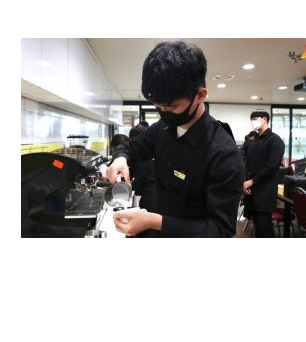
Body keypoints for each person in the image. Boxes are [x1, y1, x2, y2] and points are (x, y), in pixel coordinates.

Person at [106, 40, 244, 238]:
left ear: (200, 95)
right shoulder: (162, 128)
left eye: (170, 107)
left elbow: (220, 229)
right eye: (158, 107)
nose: (163, 113)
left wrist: (154, 221)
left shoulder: (224, 155)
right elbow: (131, 148)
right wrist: (120, 158)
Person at [243, 110, 285, 238]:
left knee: (264, 227)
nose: (253, 122)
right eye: (252, 120)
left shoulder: (275, 140)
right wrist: (245, 183)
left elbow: (271, 167)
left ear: (264, 119)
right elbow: (247, 163)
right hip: (252, 191)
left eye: (255, 119)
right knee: (258, 228)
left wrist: (252, 181)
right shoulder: (254, 140)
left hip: (265, 191)